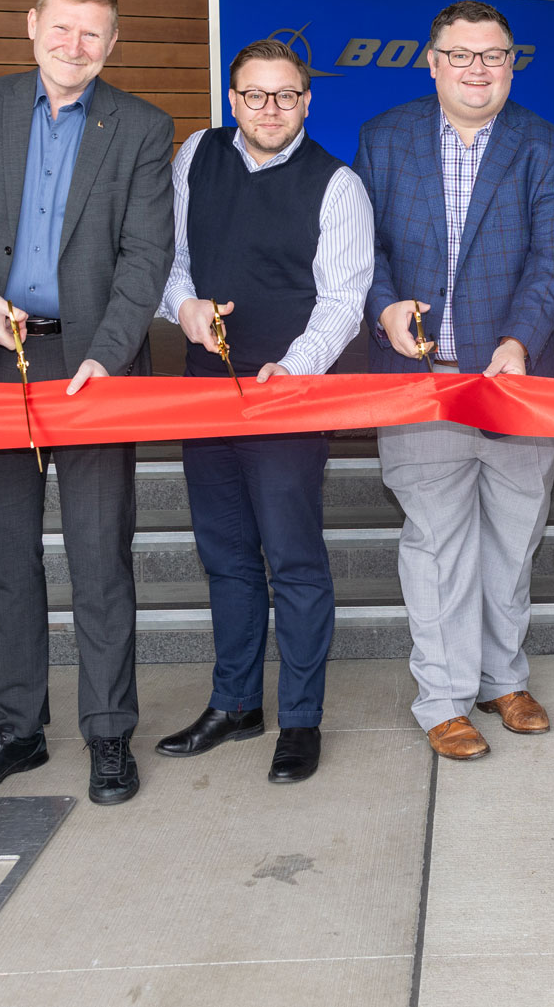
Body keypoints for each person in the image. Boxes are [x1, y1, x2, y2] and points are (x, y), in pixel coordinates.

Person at [0, 0, 173, 806]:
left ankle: (107, 733)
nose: (75, 47)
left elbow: (145, 255)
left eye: (93, 34)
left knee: (100, 559)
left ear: (113, 43)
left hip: (90, 368)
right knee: (7, 562)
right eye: (62, 28)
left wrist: (113, 351)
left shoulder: (143, 127)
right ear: (32, 26)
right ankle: (15, 729)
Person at [353, 0, 554, 761]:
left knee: (512, 541)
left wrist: (519, 340)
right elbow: (365, 248)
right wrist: (385, 309)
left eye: (493, 54)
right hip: (420, 382)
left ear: (512, 62)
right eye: (461, 54)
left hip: (516, 382)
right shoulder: (383, 139)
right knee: (434, 542)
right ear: (432, 60)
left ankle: (503, 677)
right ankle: (444, 698)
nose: (477, 69)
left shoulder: (550, 150)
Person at [152, 39, 374, 785]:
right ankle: (236, 702)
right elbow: (171, 258)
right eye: (254, 95)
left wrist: (297, 365)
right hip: (204, 384)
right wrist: (182, 306)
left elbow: (344, 300)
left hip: (289, 391)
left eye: (285, 95)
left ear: (308, 102)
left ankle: (301, 718)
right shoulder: (196, 156)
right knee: (225, 552)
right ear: (233, 99)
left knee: (294, 557)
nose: (269, 109)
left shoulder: (337, 185)